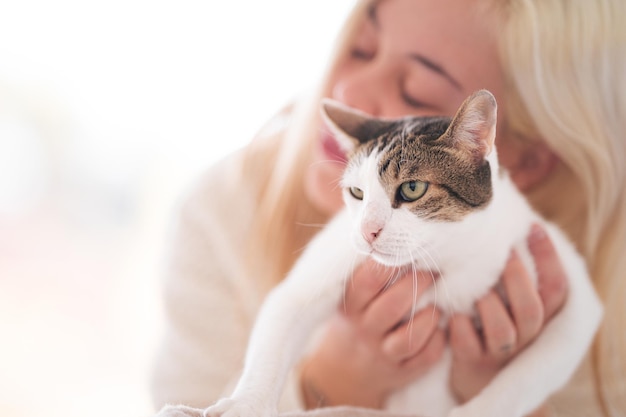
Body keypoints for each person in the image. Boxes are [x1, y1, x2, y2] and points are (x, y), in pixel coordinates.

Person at [150, 0, 626, 416]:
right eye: (359, 47)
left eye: (416, 91)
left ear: (518, 156)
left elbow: (578, 325)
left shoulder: (568, 273)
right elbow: (275, 321)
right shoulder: (220, 211)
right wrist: (325, 382)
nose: (349, 93)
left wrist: (508, 400)